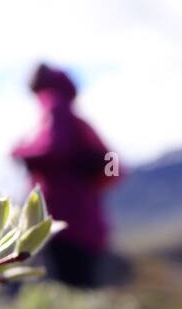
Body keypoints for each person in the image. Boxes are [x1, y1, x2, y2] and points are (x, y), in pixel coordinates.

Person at [11, 63, 119, 288]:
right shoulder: (74, 116)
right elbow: (113, 167)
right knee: (81, 289)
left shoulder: (54, 105)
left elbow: (53, 148)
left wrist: (21, 151)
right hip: (86, 223)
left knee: (63, 291)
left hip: (63, 221)